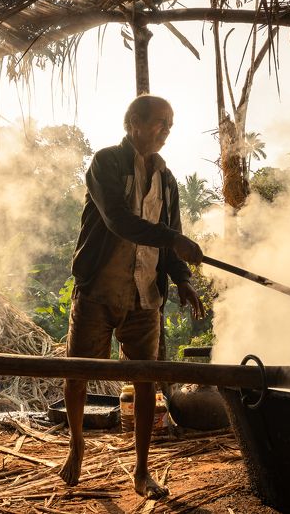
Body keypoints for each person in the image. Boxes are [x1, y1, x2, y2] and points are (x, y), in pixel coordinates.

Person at [59, 94, 205, 498]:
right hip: (99, 290)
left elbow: (169, 235)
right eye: (160, 122)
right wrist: (175, 240)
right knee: (78, 373)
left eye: (170, 124)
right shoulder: (106, 163)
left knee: (145, 382)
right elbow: (119, 221)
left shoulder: (168, 180)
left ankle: (141, 470)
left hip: (145, 296)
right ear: (133, 123)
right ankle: (77, 445)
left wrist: (182, 278)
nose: (166, 130)